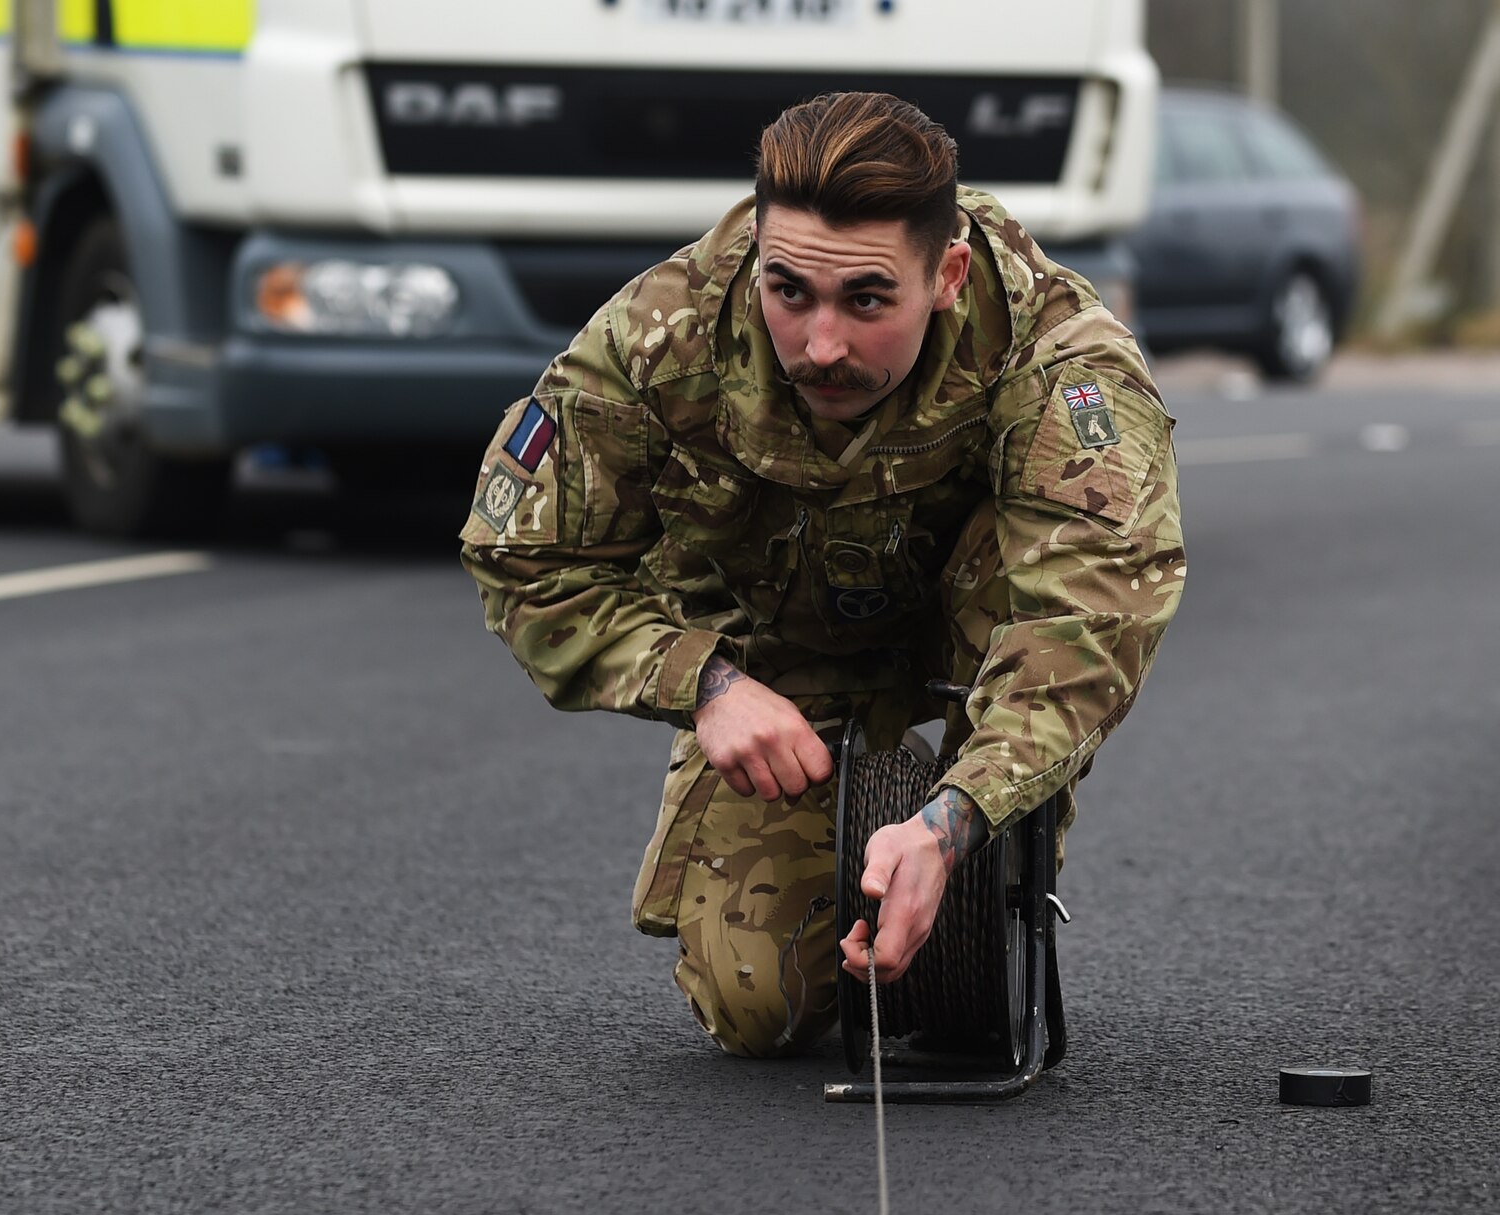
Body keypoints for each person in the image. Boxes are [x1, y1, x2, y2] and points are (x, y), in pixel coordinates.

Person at [459, 91, 1184, 1058]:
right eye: (789, 291)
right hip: (780, 658)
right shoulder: (661, 336)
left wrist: (957, 817)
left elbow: (1093, 612)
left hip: (981, 644)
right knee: (756, 1006)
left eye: (867, 300)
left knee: (958, 960)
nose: (822, 345)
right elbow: (521, 555)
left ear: (948, 273)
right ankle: (868, 838)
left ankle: (966, 838)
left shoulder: (1062, 361)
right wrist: (706, 685)